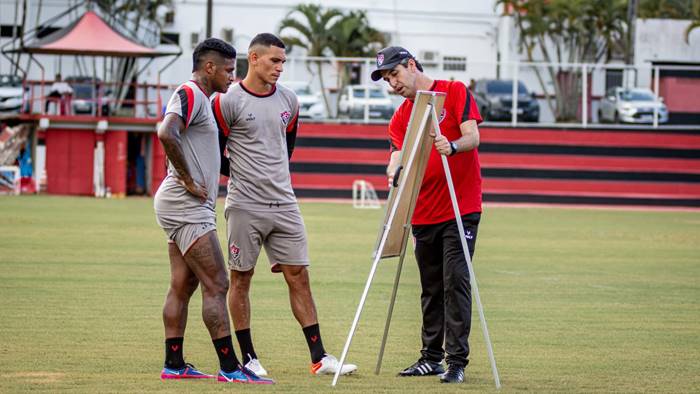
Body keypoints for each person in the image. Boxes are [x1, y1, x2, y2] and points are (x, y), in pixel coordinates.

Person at [212, 33, 357, 378]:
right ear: (254, 58)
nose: (280, 67)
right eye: (274, 61)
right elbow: (215, 155)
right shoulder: (227, 101)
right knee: (241, 278)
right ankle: (248, 359)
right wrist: (246, 177)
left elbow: (285, 149)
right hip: (244, 204)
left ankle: (320, 358)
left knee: (299, 277)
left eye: (283, 62)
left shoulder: (289, 101)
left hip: (285, 203)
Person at [153, 38, 273, 384]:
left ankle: (173, 364)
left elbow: (189, 143)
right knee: (218, 284)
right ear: (209, 68)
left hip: (183, 204)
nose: (232, 78)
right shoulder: (190, 92)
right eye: (228, 70)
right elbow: (166, 132)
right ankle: (231, 369)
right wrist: (189, 180)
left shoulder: (201, 100)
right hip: (186, 205)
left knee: (183, 284)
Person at [371, 46, 483, 384]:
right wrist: (393, 171)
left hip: (460, 208)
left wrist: (452, 145)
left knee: (455, 282)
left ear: (411, 64)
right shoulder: (401, 116)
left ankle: (456, 361)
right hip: (423, 212)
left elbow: (473, 136)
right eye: (387, 79)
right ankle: (430, 357)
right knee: (431, 286)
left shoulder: (454, 91)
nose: (392, 83)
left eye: (395, 74)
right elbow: (396, 153)